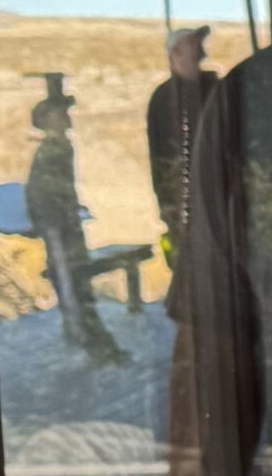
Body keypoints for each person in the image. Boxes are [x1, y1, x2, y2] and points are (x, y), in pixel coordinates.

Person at [24, 77, 126, 367]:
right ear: (47, 120)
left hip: (66, 228)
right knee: (73, 286)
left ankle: (94, 344)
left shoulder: (61, 148)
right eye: (60, 113)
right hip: (59, 232)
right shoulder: (51, 151)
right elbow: (41, 195)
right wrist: (55, 227)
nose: (66, 118)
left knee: (78, 285)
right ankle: (92, 347)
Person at [145, 25, 219, 309]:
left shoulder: (213, 90)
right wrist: (170, 204)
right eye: (193, 44)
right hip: (184, 203)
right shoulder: (164, 100)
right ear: (176, 54)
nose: (201, 48)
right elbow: (161, 158)